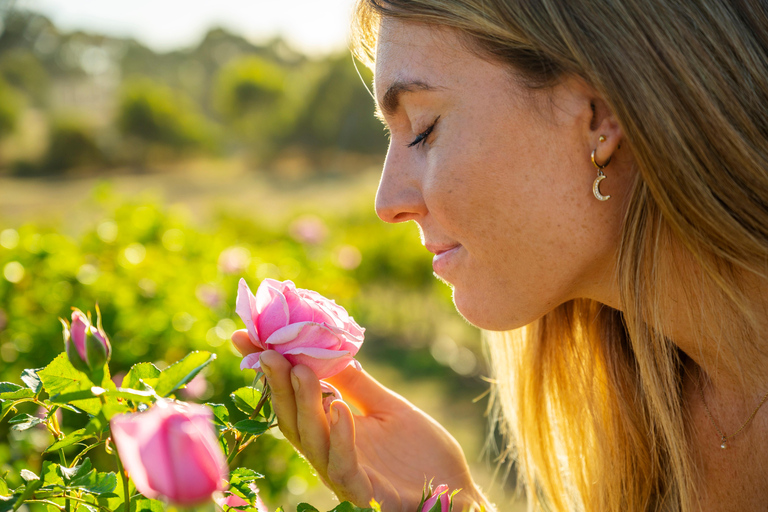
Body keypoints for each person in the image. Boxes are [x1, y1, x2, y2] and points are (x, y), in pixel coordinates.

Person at [232, 0, 768, 510]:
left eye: (423, 130)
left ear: (600, 116)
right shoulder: (650, 407)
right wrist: (448, 508)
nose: (387, 203)